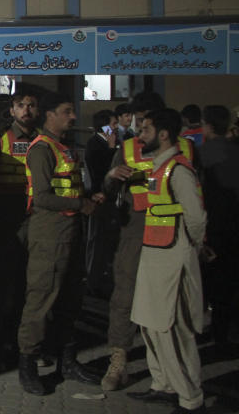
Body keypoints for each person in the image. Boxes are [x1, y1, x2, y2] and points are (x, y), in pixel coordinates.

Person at [100, 92, 195, 392]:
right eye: (139, 121)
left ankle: (172, 378)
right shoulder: (127, 149)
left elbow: (197, 197)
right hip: (135, 231)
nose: (141, 128)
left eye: (146, 121)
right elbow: (107, 185)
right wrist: (112, 175)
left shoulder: (185, 151)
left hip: (171, 236)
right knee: (125, 295)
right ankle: (119, 360)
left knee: (169, 308)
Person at [17, 91, 102, 395]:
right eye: (67, 110)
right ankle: (27, 365)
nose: (73, 116)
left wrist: (86, 201)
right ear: (50, 115)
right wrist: (81, 204)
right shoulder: (42, 149)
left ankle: (67, 361)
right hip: (50, 235)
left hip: (71, 232)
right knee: (41, 300)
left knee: (70, 301)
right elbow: (41, 197)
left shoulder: (64, 148)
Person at [128, 108, 206, 413]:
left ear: (162, 134)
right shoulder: (158, 168)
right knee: (150, 326)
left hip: (173, 258)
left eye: (145, 130)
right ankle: (163, 385)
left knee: (172, 330)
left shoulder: (179, 170)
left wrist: (192, 248)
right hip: (154, 256)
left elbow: (197, 219)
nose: (139, 135)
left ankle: (190, 399)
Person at [0, 87, 39, 367]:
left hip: (35, 217)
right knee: (2, 282)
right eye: (21, 105)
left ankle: (23, 341)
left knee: (28, 283)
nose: (26, 110)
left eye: (31, 105)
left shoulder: (44, 140)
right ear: (12, 110)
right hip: (7, 218)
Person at [197, 105, 239, 353]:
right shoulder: (235, 151)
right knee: (229, 280)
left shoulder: (201, 154)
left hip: (212, 226)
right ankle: (224, 333)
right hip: (234, 224)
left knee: (209, 281)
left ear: (207, 125)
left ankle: (208, 332)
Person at [84, 109, 120, 297]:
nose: (116, 128)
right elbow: (102, 170)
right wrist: (112, 149)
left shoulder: (105, 143)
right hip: (99, 198)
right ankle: (93, 279)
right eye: (113, 124)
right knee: (96, 239)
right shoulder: (96, 144)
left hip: (107, 198)